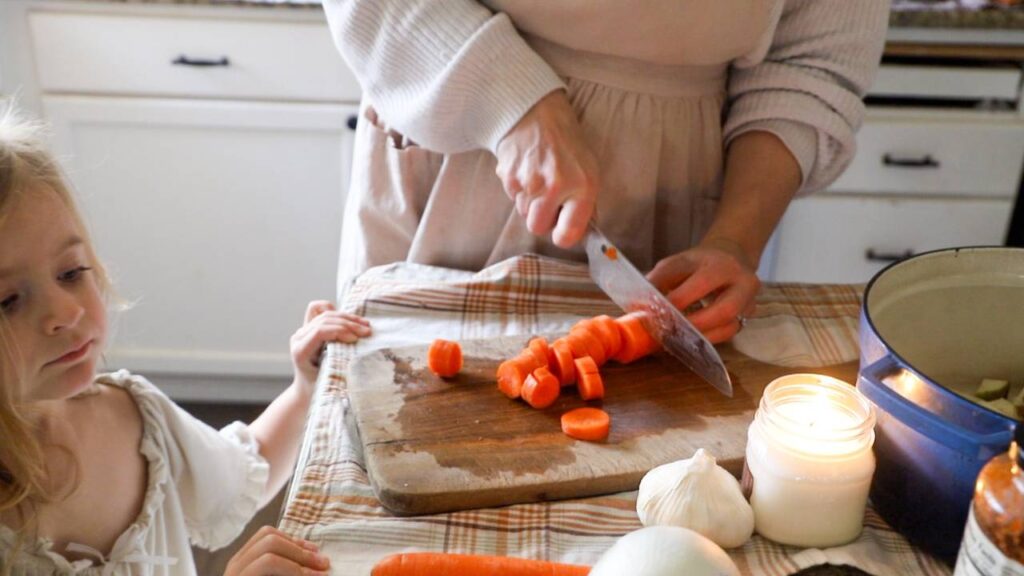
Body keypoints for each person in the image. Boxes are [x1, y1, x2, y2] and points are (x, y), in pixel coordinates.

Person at [324, 0, 889, 343]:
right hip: (455, 133)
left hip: (678, 185)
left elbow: (811, 63)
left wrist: (735, 240)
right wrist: (511, 103)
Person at [0, 103, 371, 575]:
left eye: (72, 272)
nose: (66, 313)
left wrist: (303, 390)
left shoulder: (135, 418)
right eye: (8, 301)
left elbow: (243, 473)